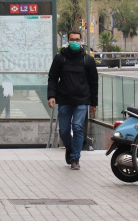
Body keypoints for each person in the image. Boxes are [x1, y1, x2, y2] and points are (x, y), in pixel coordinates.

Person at [47, 31, 98, 170]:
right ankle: (70, 148)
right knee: (63, 130)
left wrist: (94, 103)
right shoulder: (60, 58)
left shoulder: (88, 60)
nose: (74, 42)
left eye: (77, 39)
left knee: (77, 126)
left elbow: (94, 82)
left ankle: (75, 158)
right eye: (72, 39)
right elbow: (52, 78)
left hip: (82, 100)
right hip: (64, 100)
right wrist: (51, 96)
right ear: (67, 41)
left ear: (81, 41)